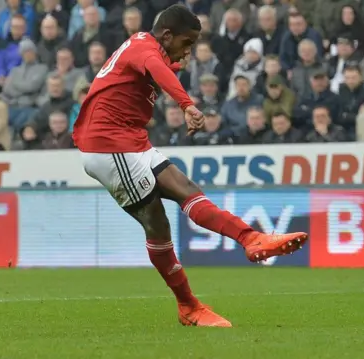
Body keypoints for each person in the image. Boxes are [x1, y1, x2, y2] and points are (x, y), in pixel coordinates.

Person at [72, 4, 308, 327]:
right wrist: (187, 104)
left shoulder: (144, 45)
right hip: (108, 144)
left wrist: (175, 66)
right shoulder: (146, 48)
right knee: (158, 223)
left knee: (185, 192)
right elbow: (155, 65)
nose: (188, 51)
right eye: (186, 43)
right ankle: (190, 304)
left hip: (129, 139)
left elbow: (153, 70)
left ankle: (251, 240)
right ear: (167, 35)